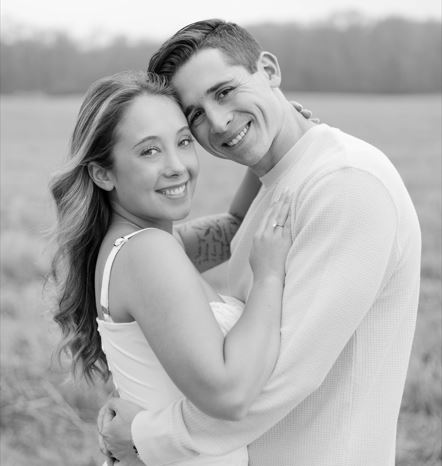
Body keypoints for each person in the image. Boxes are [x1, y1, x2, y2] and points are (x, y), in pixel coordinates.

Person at [99, 19, 422, 466]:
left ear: (269, 70)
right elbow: (228, 236)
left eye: (225, 91)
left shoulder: (346, 185)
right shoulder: (281, 182)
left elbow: (286, 375)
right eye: (195, 114)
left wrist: (146, 436)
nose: (218, 121)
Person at [49, 69, 297, 466]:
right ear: (102, 173)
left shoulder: (138, 246)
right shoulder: (148, 253)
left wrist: (274, 141)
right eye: (149, 151)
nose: (178, 166)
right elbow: (228, 394)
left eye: (183, 142)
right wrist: (268, 276)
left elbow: (233, 227)